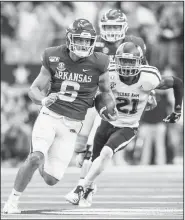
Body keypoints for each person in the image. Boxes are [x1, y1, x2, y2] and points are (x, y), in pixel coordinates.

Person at [3, 18, 117, 214]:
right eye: (79, 40)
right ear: (69, 39)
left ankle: (41, 161)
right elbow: (34, 89)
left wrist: (108, 107)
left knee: (51, 179)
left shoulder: (100, 62)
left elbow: (104, 92)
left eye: (87, 41)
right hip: (50, 115)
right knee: (35, 157)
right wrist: (43, 100)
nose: (83, 44)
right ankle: (12, 202)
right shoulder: (53, 55)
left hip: (72, 125)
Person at [65, 9, 157, 205]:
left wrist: (151, 94)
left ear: (124, 27)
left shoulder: (135, 44)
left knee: (92, 148)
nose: (113, 31)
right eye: (109, 27)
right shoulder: (93, 42)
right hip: (94, 97)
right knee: (81, 149)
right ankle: (87, 183)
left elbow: (144, 70)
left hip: (116, 101)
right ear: (101, 27)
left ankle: (83, 187)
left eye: (116, 27)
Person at [76, 41, 183, 207]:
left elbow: (177, 82)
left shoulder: (149, 77)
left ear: (140, 61)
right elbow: (92, 93)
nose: (126, 65)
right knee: (92, 156)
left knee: (106, 153)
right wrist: (100, 105)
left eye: (130, 61)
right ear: (116, 60)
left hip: (128, 125)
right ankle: (87, 187)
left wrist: (177, 109)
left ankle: (81, 188)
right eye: (123, 61)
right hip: (108, 121)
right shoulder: (109, 73)